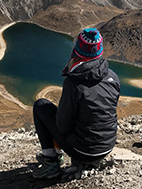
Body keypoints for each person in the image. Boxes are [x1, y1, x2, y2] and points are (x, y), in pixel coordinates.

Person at [32, 28, 121, 179]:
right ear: (100, 51)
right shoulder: (112, 76)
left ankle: (51, 162)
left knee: (41, 106)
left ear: (77, 50)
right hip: (107, 146)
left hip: (84, 151)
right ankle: (71, 158)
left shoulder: (74, 83)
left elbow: (62, 126)